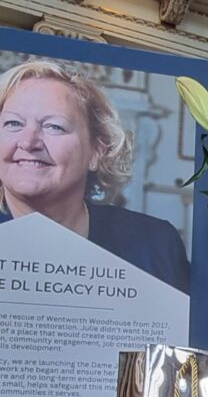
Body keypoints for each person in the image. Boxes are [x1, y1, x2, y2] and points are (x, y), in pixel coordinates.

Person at [0, 59, 190, 293]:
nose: (28, 142)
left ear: (96, 151)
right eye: (13, 123)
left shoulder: (157, 244)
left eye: (54, 126)